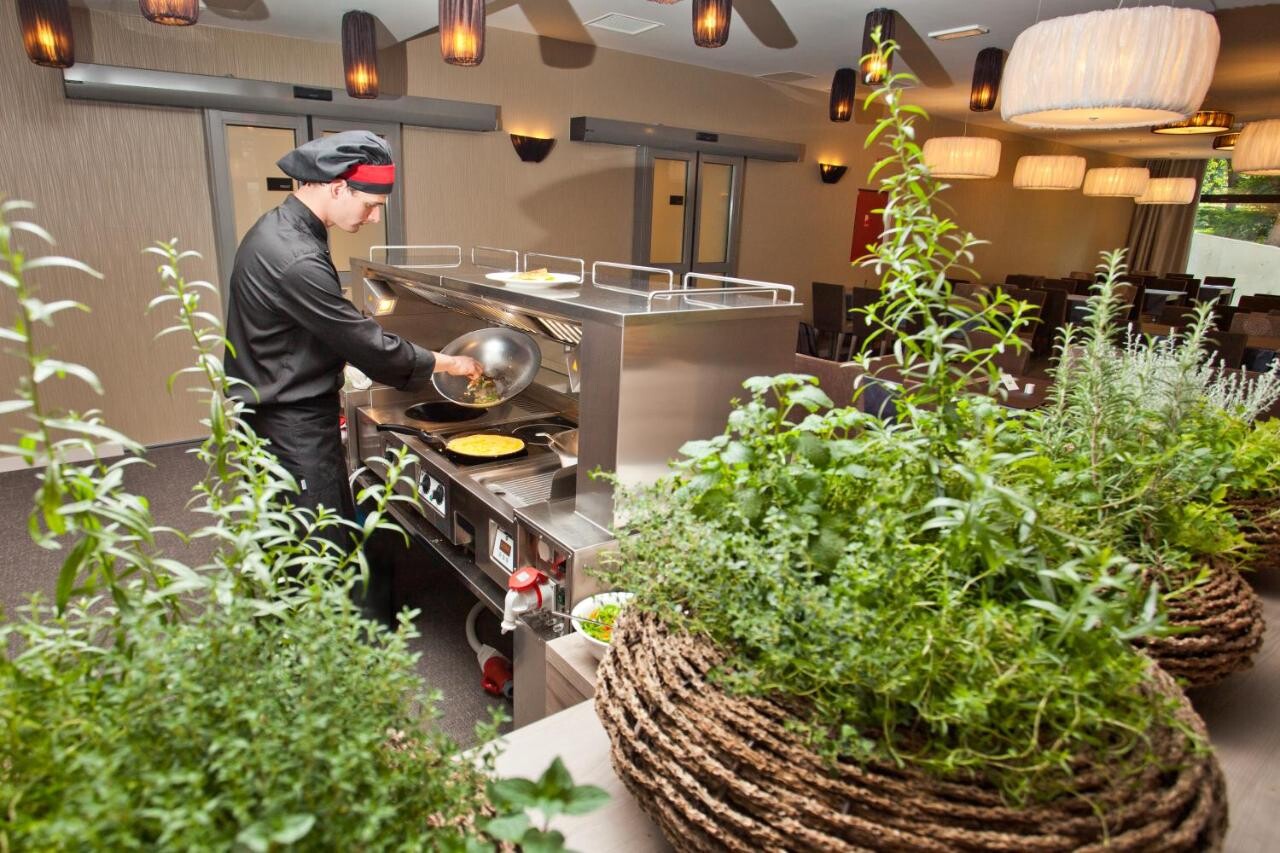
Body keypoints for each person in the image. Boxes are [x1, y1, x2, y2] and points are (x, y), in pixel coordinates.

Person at [225, 130, 481, 538]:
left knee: (311, 528)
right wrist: (449, 362)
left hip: (280, 413)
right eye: (371, 205)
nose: (374, 218)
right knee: (315, 544)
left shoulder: (280, 228)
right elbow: (367, 345)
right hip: (291, 425)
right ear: (337, 187)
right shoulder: (295, 256)